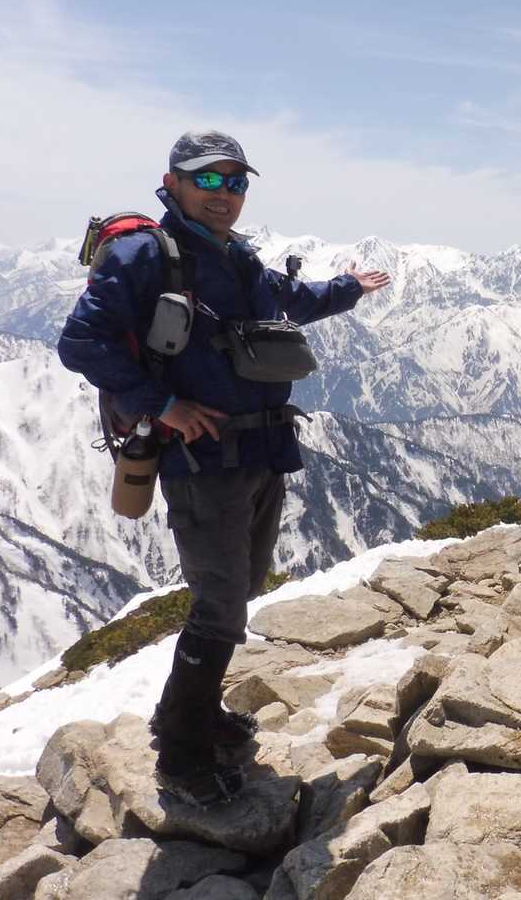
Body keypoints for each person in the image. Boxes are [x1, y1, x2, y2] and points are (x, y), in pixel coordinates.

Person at [57, 129, 392, 806]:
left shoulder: (233, 255)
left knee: (238, 593)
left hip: (259, 452)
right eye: (207, 179)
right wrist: (164, 405)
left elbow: (289, 299)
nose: (224, 193)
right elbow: (80, 342)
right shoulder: (146, 256)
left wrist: (349, 288)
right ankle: (182, 759)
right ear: (173, 183)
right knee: (218, 606)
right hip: (203, 460)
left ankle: (193, 714)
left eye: (235, 181)